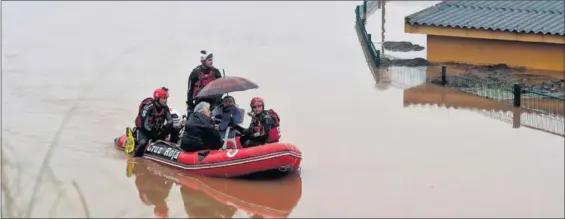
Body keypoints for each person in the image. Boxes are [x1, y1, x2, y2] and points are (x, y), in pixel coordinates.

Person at [131, 87, 180, 157]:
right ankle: (136, 158)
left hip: (157, 131)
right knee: (142, 143)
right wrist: (155, 134)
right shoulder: (148, 107)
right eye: (163, 98)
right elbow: (145, 125)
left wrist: (164, 130)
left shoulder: (165, 107)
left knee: (176, 129)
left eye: (166, 98)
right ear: (157, 98)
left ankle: (174, 149)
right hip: (144, 131)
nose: (166, 101)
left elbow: (170, 121)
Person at [186, 50, 223, 117]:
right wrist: (190, 106)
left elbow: (221, 87)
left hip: (214, 102)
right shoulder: (195, 73)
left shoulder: (216, 72)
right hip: (200, 103)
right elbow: (190, 91)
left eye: (211, 60)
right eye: (209, 60)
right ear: (203, 61)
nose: (211, 62)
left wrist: (218, 99)